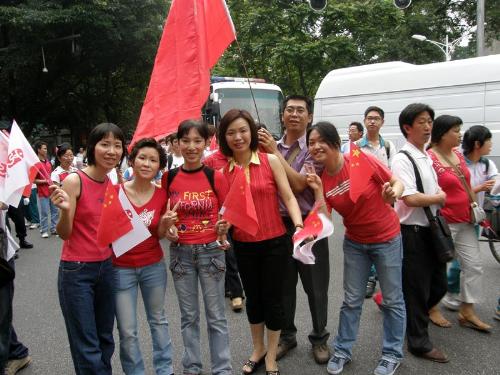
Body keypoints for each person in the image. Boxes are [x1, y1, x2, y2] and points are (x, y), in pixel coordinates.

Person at [305, 122, 406, 375]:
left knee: (393, 300)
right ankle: (342, 350)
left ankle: (392, 354)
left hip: (387, 238)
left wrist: (392, 192)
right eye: (311, 142)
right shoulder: (324, 178)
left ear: (335, 143)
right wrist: (318, 191)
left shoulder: (360, 159)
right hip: (355, 244)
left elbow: (396, 182)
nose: (315, 146)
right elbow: (326, 220)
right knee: (351, 301)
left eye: (320, 141)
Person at [218, 109, 304, 375]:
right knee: (254, 299)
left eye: (243, 130)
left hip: (276, 242)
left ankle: (271, 357)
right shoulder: (224, 172)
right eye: (231, 132)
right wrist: (223, 229)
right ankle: (258, 349)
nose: (238, 137)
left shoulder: (270, 161)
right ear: (224, 137)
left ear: (252, 133)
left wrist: (299, 226)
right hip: (244, 244)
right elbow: (229, 212)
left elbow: (289, 197)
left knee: (274, 300)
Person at [257, 95, 331, 364]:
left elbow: (300, 185)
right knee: (283, 286)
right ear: (282, 115)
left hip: (309, 225)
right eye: (290, 110)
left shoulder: (314, 149)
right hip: (277, 225)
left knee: (316, 286)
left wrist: (274, 155)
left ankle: (320, 337)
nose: (295, 115)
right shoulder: (267, 147)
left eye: (301, 111)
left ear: (309, 117)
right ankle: (287, 336)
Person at [50, 123, 125, 374]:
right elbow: (65, 233)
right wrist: (65, 212)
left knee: (105, 339)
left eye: (117, 145)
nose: (112, 150)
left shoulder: (111, 181)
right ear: (92, 147)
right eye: (105, 144)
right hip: (77, 271)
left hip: (107, 267)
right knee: (87, 345)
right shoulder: (74, 180)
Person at [162, 120, 232, 375]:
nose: (191, 147)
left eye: (197, 141)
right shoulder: (168, 177)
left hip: (211, 252)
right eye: (186, 141)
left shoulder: (216, 176)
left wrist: (225, 226)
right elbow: (164, 214)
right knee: (188, 316)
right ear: (177, 143)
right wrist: (167, 228)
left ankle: (222, 368)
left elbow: (227, 213)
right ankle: (192, 366)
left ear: (205, 143)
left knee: (216, 317)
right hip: (181, 253)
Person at [391, 103, 449, 363]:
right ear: (407, 127)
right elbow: (410, 198)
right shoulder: (403, 158)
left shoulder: (425, 155)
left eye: (430, 121)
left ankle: (403, 312)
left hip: (431, 228)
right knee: (418, 289)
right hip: (412, 232)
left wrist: (438, 198)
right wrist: (438, 197)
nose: (428, 127)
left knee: (439, 284)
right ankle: (418, 342)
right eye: (422, 122)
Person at [113, 138, 173, 375]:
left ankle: (165, 369)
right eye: (142, 158)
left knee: (158, 321)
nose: (147, 164)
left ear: (160, 166)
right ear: (132, 160)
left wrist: (166, 227)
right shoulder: (115, 194)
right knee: (127, 330)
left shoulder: (162, 196)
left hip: (153, 267)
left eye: (153, 160)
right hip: (120, 269)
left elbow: (159, 235)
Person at [427, 115, 491, 332]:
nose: (460, 134)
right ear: (442, 134)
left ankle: (467, 310)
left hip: (465, 220)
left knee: (474, 266)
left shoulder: (457, 154)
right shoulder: (429, 158)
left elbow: (467, 184)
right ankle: (432, 307)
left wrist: (476, 210)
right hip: (444, 222)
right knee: (437, 267)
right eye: (455, 130)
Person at [441, 125, 497, 311]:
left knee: (471, 264)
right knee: (441, 260)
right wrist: (480, 188)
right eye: (489, 140)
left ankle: (465, 306)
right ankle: (443, 296)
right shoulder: (455, 161)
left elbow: (495, 182)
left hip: (473, 218)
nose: (491, 144)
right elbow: (451, 193)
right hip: (450, 217)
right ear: (477, 144)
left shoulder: (487, 164)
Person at [203, 148, 245, 313]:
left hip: (242, 213)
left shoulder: (243, 155)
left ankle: (230, 286)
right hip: (222, 216)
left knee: (240, 254)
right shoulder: (211, 160)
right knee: (229, 255)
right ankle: (237, 293)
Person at [0, 209, 32, 375]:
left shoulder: (3, 185)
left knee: (1, 317)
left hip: (1, 261)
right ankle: (17, 352)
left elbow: (4, 204)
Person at [34, 141, 58, 238]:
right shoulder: (36, 163)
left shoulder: (48, 162)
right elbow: (34, 180)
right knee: (44, 212)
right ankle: (44, 230)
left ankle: (53, 228)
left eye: (46, 148)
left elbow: (51, 174)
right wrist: (45, 180)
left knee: (55, 211)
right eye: (44, 148)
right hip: (42, 192)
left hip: (52, 190)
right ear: (39, 150)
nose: (46, 150)